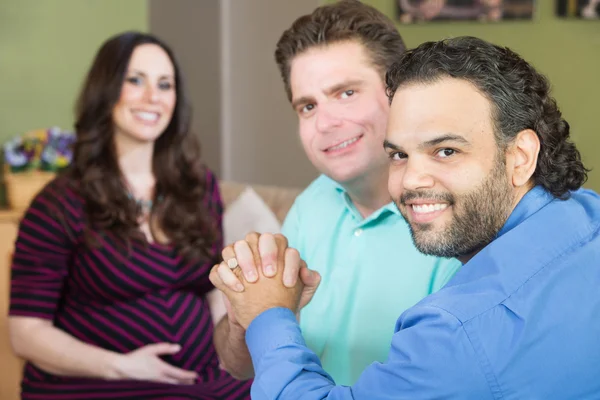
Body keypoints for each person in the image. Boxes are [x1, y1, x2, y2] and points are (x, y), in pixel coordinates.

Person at [210, 36, 600, 399]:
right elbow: (239, 359)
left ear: (521, 157)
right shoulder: (587, 214)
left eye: (446, 151)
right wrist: (261, 308)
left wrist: (269, 314)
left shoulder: (457, 328)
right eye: (398, 155)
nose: (411, 180)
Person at [212, 0, 461, 386]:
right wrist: (245, 315)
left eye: (346, 93)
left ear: (398, 92)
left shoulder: (455, 219)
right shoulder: (313, 203)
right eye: (308, 106)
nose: (326, 122)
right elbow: (239, 366)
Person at [8, 31, 251, 399]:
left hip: (201, 377)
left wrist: (226, 350)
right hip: (101, 382)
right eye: (135, 80)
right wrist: (120, 365)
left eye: (165, 84)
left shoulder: (198, 188)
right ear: (105, 91)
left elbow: (213, 290)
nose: (152, 97)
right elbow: (25, 332)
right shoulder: (59, 204)